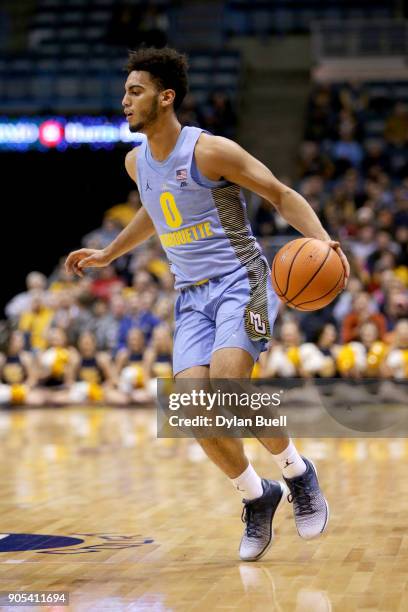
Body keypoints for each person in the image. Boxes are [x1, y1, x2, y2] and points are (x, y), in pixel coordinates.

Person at [65, 47, 350, 562]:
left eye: (135, 91)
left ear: (165, 96)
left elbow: (279, 193)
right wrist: (110, 252)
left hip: (242, 279)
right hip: (191, 296)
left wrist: (323, 240)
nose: (124, 100)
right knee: (192, 406)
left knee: (228, 382)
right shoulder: (136, 162)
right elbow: (156, 212)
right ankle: (256, 495)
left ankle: (297, 473)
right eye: (125, 91)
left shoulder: (209, 151)